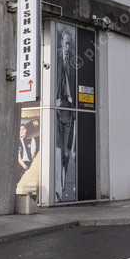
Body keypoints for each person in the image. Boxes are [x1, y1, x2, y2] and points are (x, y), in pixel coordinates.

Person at [55, 28, 76, 201]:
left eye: (70, 44)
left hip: (68, 109)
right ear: (61, 42)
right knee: (58, 149)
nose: (67, 47)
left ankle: (62, 188)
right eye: (66, 43)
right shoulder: (55, 56)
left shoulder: (73, 60)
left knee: (66, 152)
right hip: (57, 107)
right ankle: (57, 189)